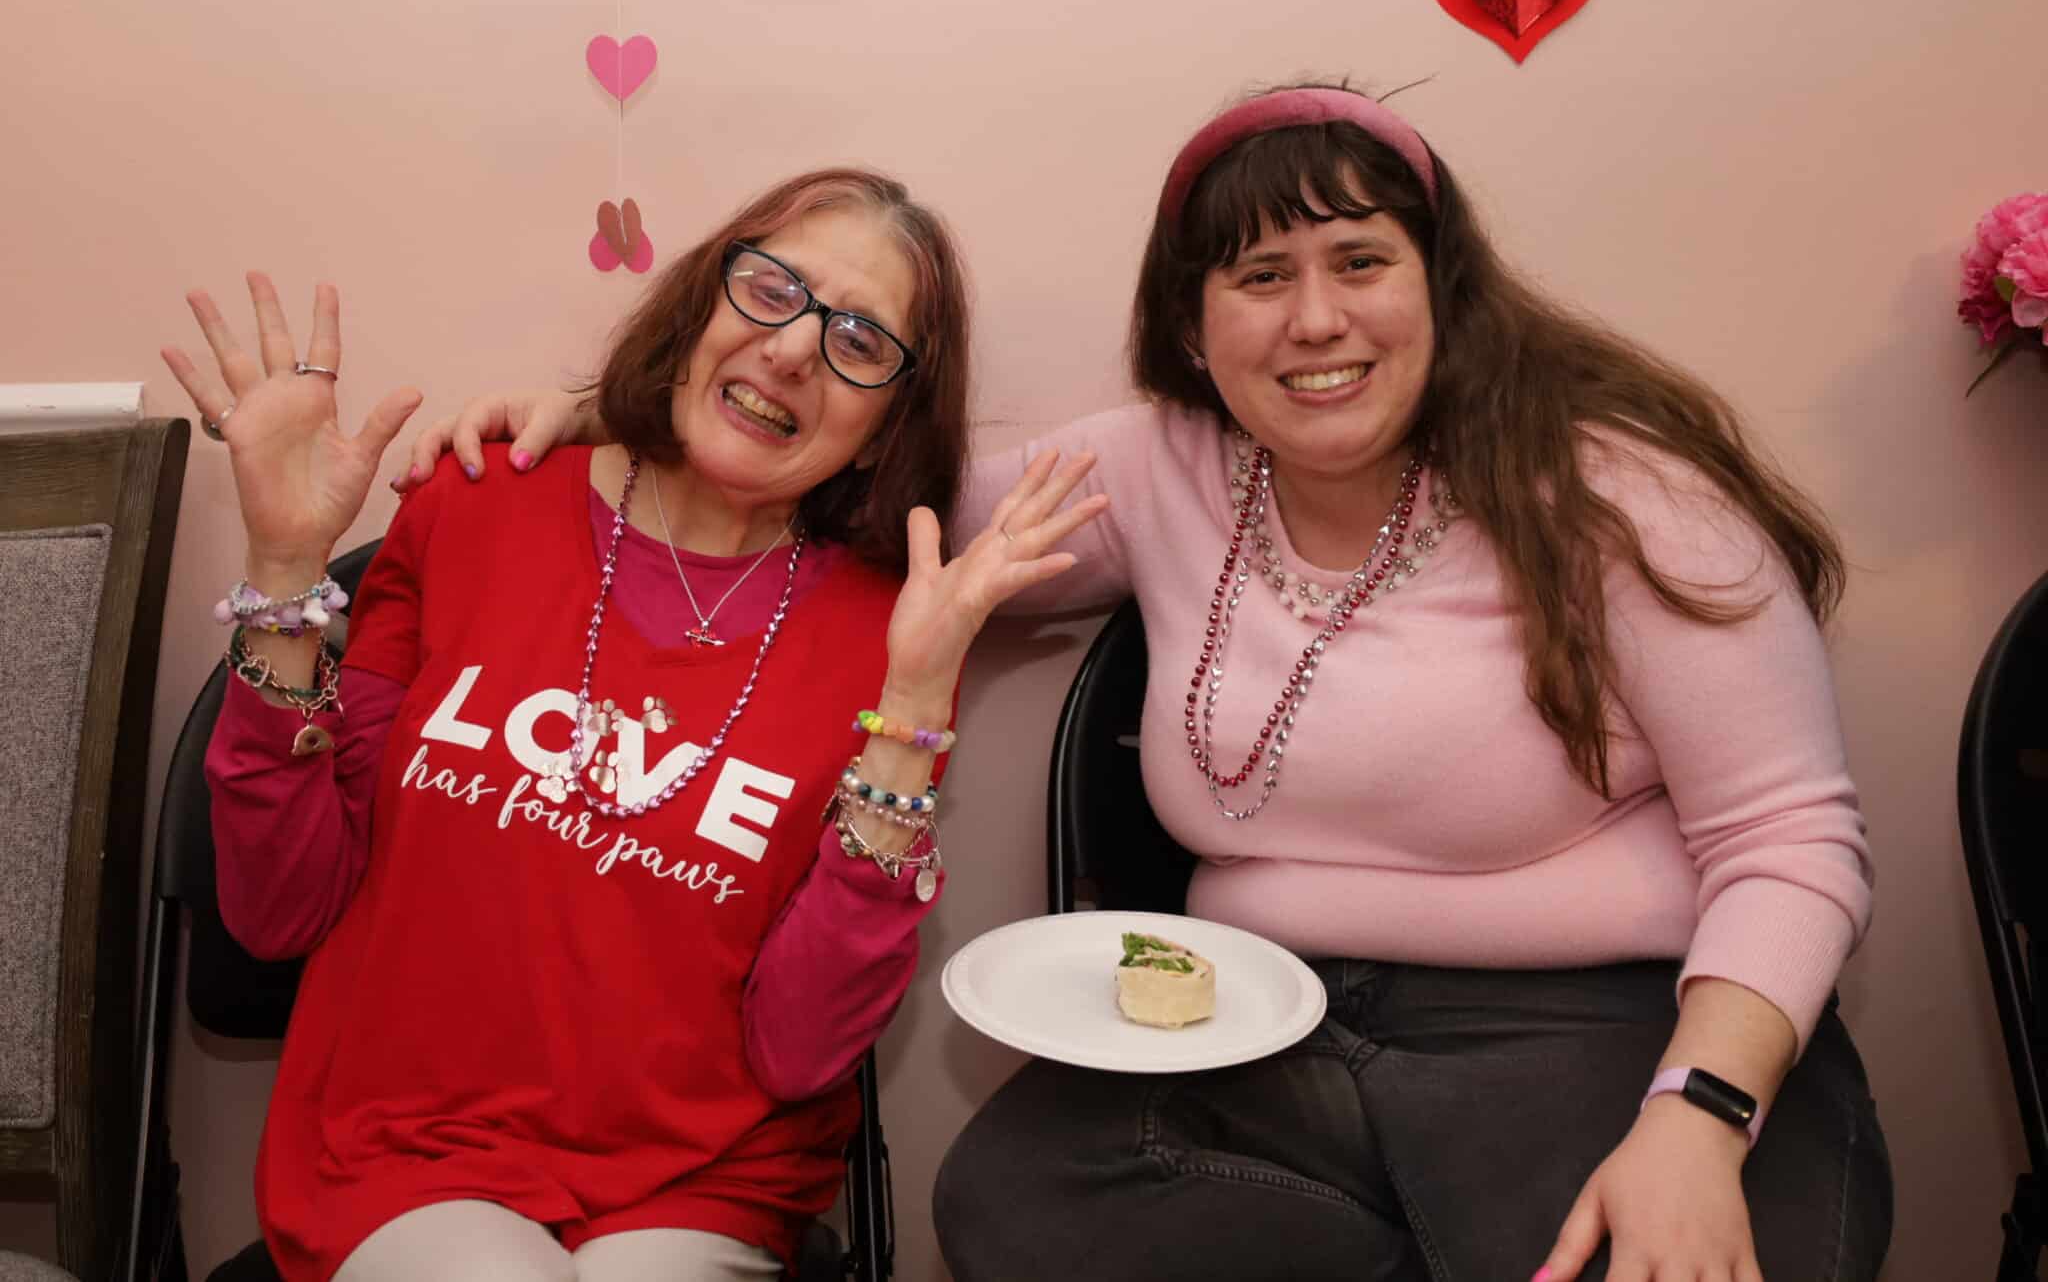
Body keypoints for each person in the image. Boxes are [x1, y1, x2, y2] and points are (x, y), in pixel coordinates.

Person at [401, 85, 1892, 1281]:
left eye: (1359, 262)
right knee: (1007, 1204)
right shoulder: (1158, 470)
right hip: (1275, 1040)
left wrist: (1700, 1121)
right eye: (1260, 277)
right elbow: (865, 492)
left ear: (1440, 288)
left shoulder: (1622, 496)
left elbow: (1791, 840)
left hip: (1615, 1033)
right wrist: (610, 423)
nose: (1315, 320)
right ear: (1194, 328)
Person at [158, 167, 1105, 1282]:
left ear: (883, 423)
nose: (795, 349)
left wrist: (907, 711)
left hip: (702, 1180)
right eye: (771, 291)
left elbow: (799, 1052)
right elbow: (281, 911)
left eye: (858, 340)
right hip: (411, 1153)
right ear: (702, 303)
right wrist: (282, 573)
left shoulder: (892, 626)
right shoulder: (476, 506)